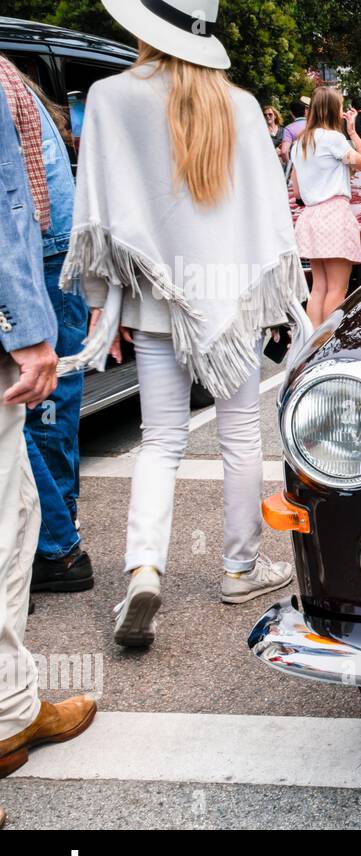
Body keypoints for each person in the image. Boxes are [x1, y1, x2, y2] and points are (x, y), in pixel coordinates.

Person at [62, 0, 305, 648]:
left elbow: (97, 215)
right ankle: (239, 566)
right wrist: (274, 300)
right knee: (239, 435)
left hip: (154, 301)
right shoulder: (242, 106)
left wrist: (98, 301)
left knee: (162, 439)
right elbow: (267, 212)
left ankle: (144, 567)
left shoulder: (113, 98)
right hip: (226, 304)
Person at [0, 77, 98, 781]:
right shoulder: (10, 82)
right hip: (30, 284)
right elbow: (17, 209)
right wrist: (26, 325)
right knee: (9, 518)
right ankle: (7, 712)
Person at [2, 63, 95, 593]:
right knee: (53, 406)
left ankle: (57, 546)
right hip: (60, 250)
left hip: (34, 253)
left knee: (24, 403)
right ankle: (60, 528)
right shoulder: (15, 80)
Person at [290, 85, 361, 326]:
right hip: (334, 216)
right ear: (332, 109)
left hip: (310, 217)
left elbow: (296, 191)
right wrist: (352, 132)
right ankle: (327, 346)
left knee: (318, 288)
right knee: (337, 290)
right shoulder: (334, 139)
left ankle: (311, 348)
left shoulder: (300, 144)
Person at [279, 95, 309, 162]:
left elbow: (284, 151)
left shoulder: (288, 129)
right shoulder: (315, 125)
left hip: (298, 166)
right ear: (305, 111)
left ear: (291, 113)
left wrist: (289, 163)